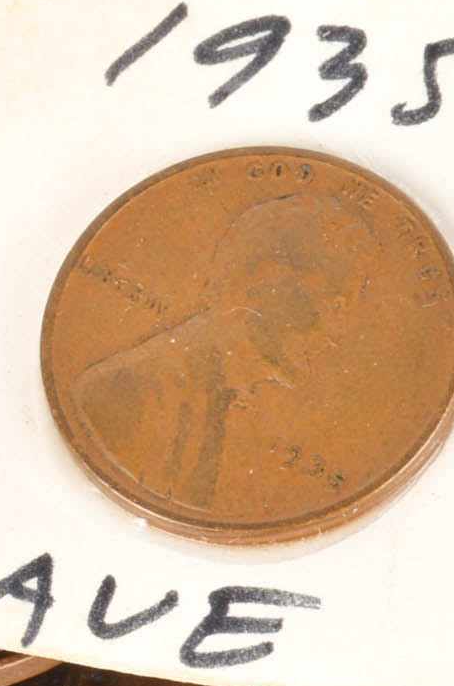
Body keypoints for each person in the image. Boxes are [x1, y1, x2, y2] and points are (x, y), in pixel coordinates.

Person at [64, 186, 378, 513]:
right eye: (335, 305)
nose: (338, 335)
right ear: (267, 283)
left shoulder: (221, 405)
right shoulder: (126, 395)